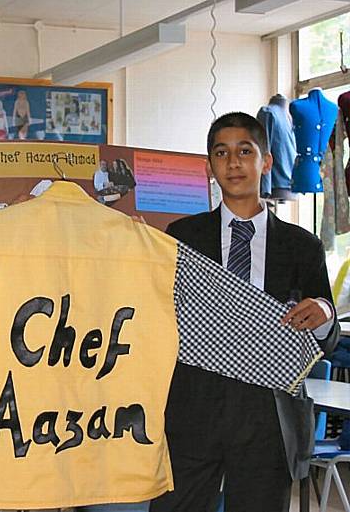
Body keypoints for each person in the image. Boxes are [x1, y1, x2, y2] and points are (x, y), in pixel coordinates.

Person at [150, 112, 339, 512]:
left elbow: (328, 330)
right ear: (209, 167)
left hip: (267, 414)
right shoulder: (181, 238)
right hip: (192, 406)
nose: (233, 162)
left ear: (266, 161)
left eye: (245, 151)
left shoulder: (302, 247)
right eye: (222, 153)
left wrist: (322, 312)